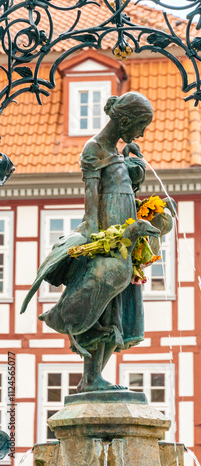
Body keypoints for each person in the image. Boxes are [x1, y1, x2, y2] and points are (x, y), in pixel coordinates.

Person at [22, 92, 155, 393]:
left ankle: (92, 379)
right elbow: (92, 201)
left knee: (118, 309)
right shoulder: (94, 148)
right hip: (110, 236)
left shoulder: (117, 151)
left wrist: (134, 167)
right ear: (124, 121)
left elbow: (123, 190)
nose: (142, 133)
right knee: (102, 309)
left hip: (125, 237)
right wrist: (98, 238)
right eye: (140, 126)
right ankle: (91, 379)